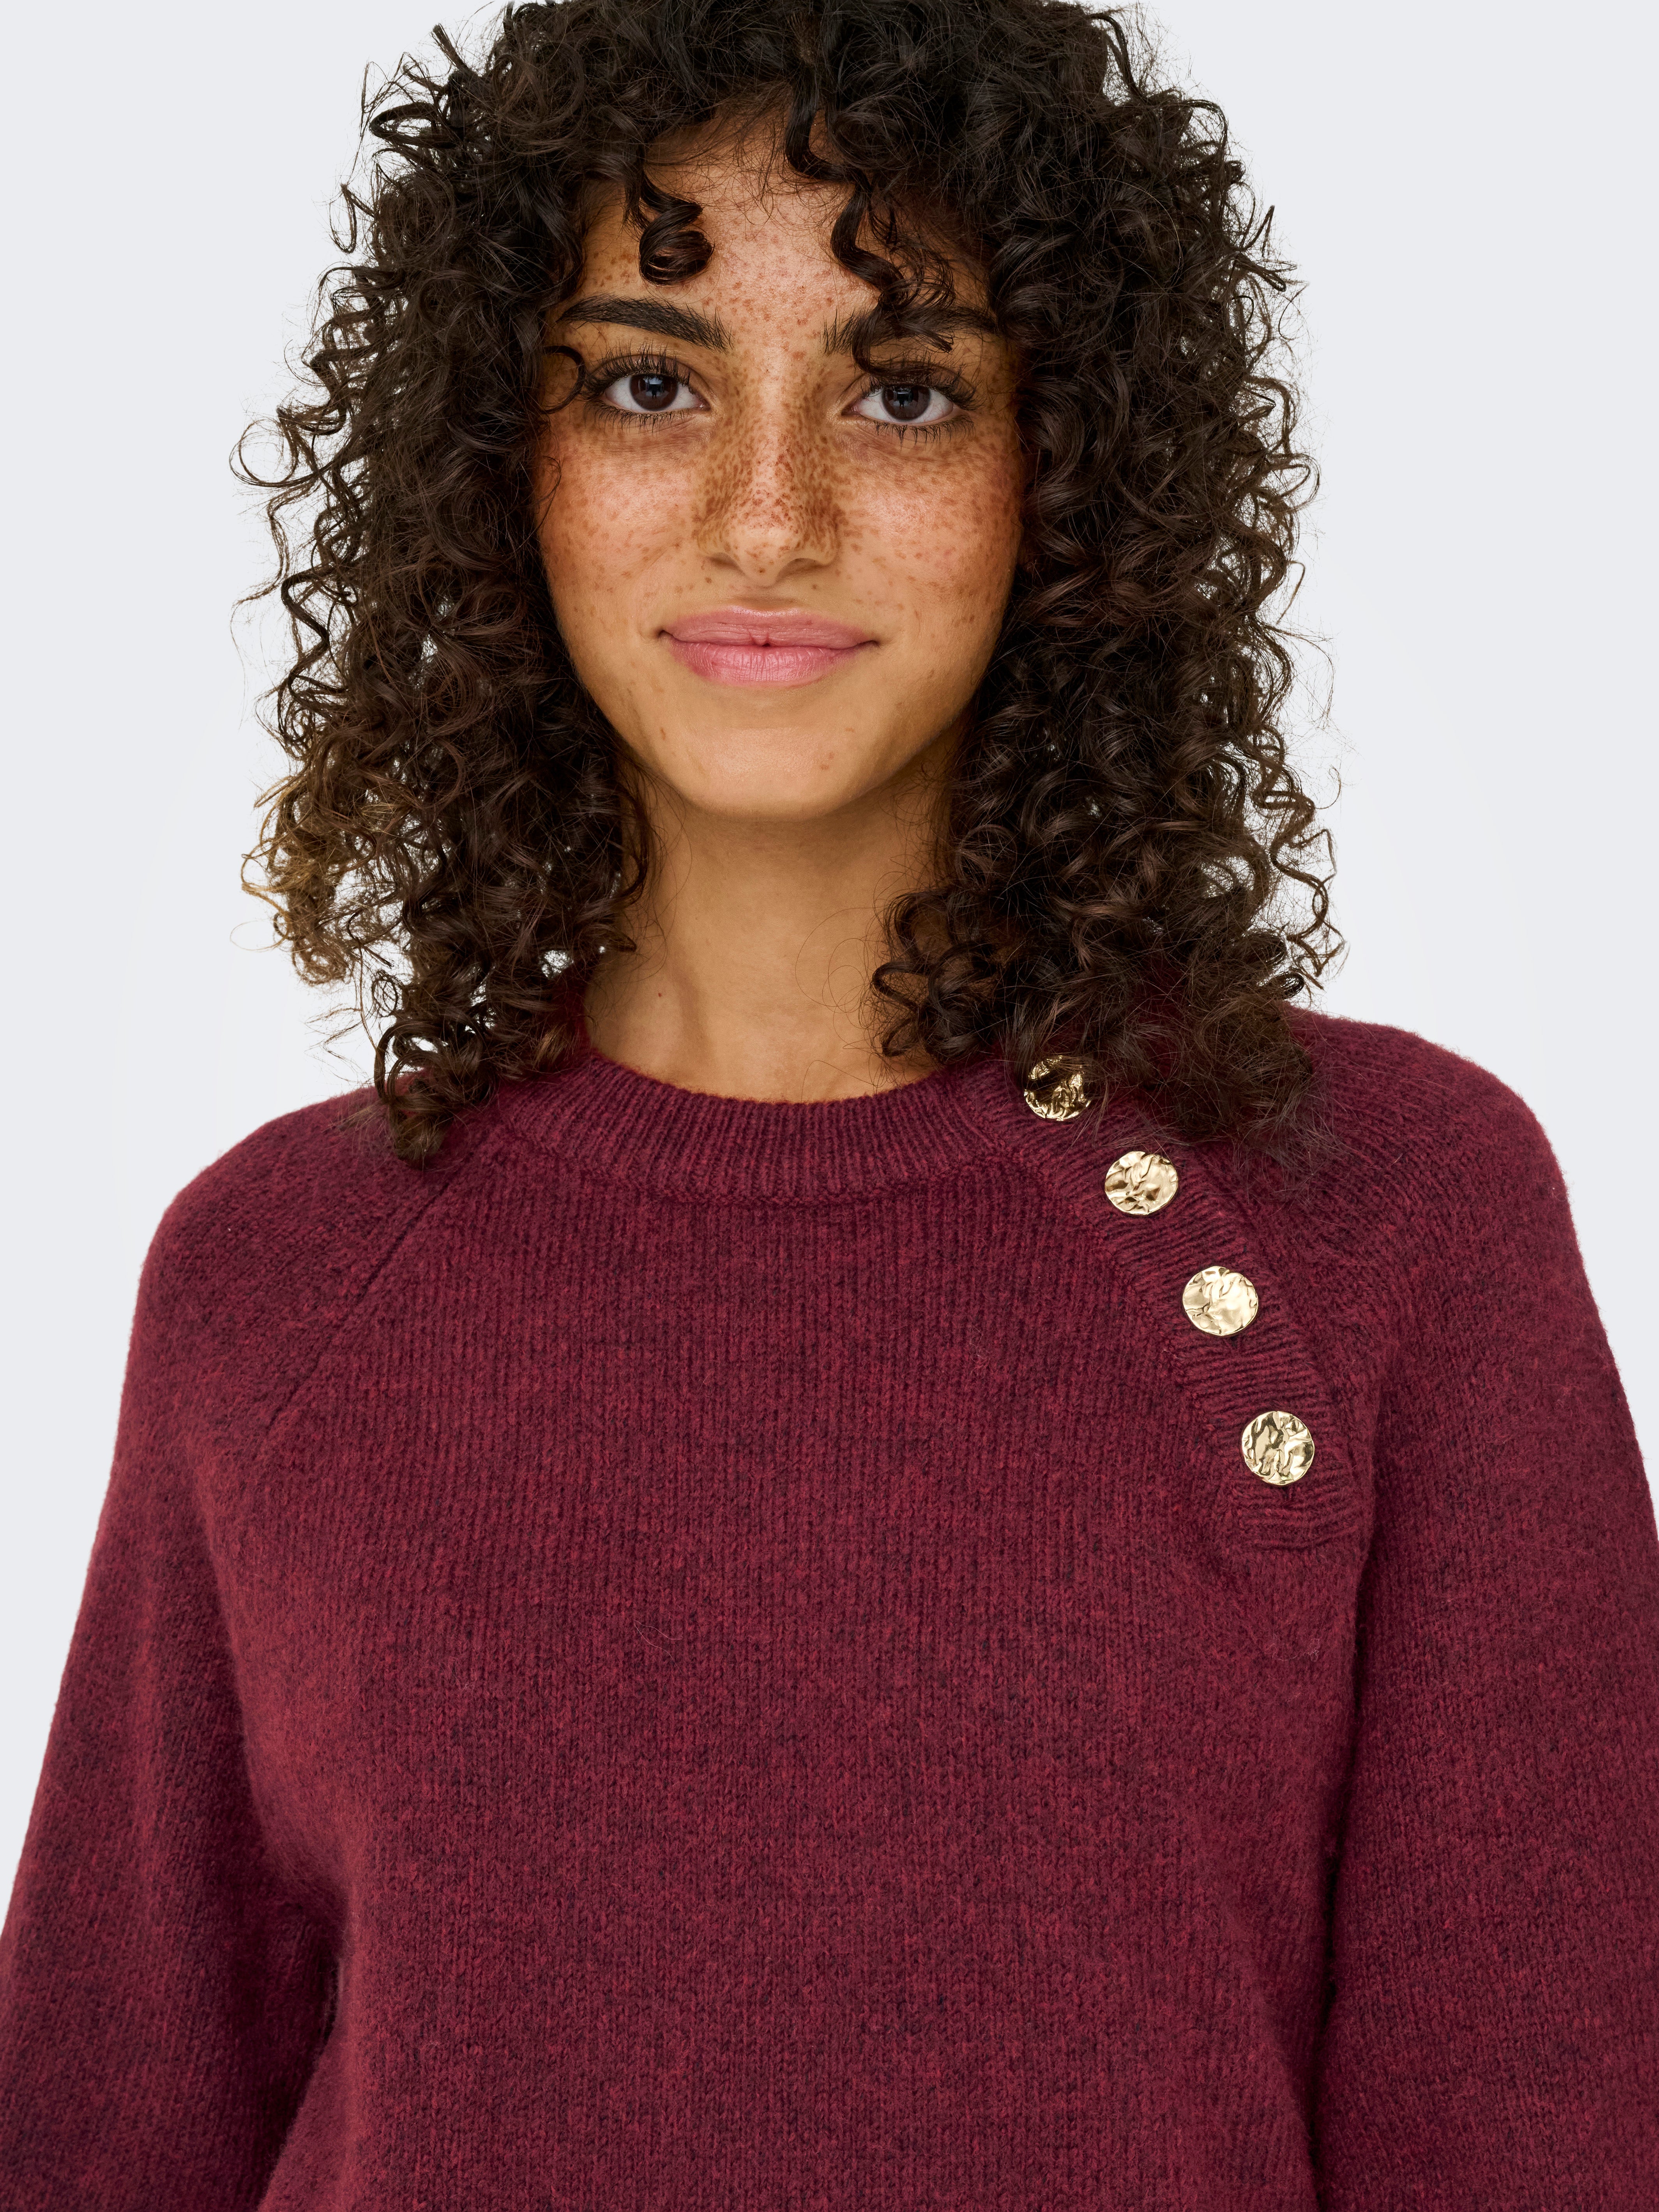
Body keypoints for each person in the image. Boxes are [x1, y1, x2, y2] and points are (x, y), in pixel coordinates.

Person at [2, 0, 1655, 2202]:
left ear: (1069, 469)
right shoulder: (279, 1277)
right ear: (496, 459)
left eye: (901, 391)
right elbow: (108, 2131)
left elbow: (1543, 2124)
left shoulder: (1393, 1222)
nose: (766, 517)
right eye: (648, 384)